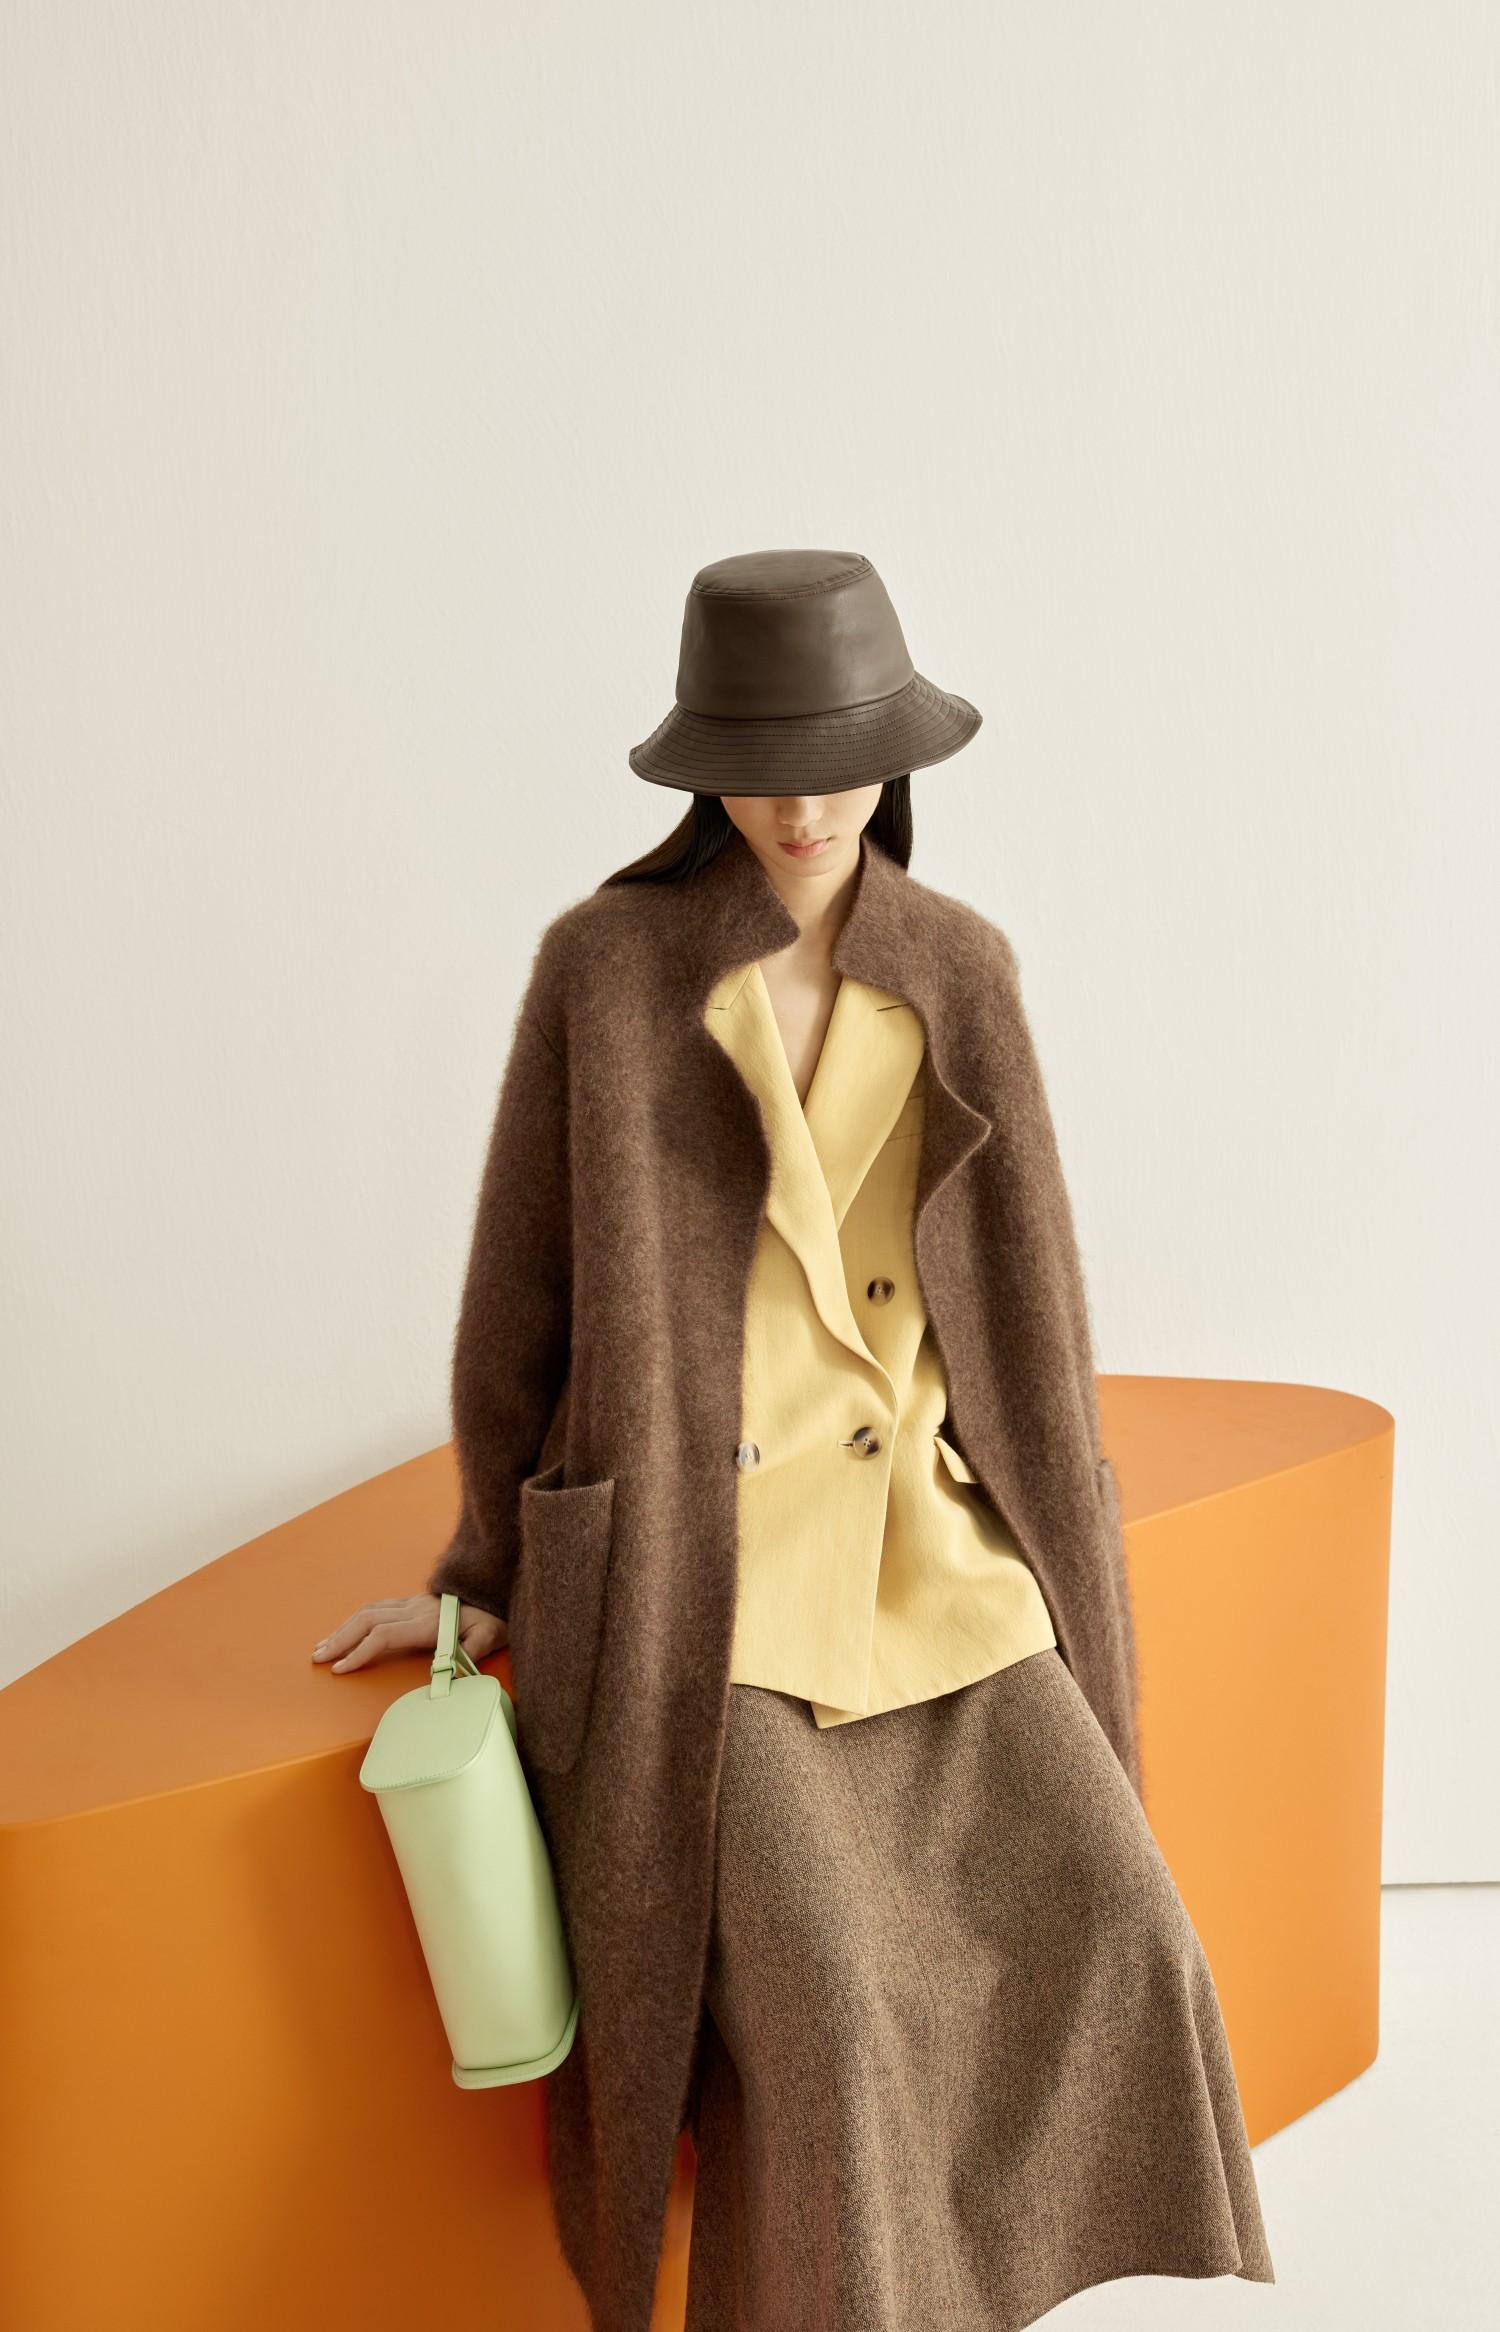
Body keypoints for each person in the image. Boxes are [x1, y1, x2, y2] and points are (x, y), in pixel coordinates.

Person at [314, 549, 1275, 2330]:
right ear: (706, 769)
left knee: (1129, 1930)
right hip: (716, 1601)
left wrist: (1069, 1557)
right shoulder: (607, 972)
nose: (806, 805)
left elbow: (1034, 1311)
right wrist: (481, 1573)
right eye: (764, 764)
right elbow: (522, 1297)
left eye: (838, 762)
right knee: (824, 2021)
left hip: (938, 1555)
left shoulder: (959, 969)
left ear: (893, 757)